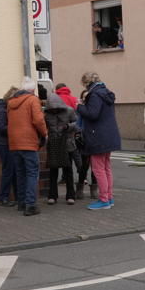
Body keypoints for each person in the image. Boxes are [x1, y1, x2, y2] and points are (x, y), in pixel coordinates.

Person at [78, 71, 121, 210]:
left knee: (98, 169)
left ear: (87, 83)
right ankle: (109, 197)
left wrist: (79, 106)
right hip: (109, 135)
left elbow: (92, 114)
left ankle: (104, 200)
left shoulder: (94, 94)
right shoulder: (105, 92)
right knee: (106, 168)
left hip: (98, 136)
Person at [6, 78, 47, 215]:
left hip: (14, 143)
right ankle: (31, 205)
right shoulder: (33, 100)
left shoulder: (10, 103)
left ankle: (21, 202)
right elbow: (38, 120)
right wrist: (45, 133)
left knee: (20, 173)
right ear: (33, 90)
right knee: (31, 173)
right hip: (28, 142)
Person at [44, 84, 78, 205]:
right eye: (51, 108)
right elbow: (44, 127)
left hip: (67, 142)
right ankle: (52, 196)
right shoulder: (46, 114)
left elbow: (77, 124)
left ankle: (70, 195)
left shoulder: (69, 110)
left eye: (55, 108)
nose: (54, 110)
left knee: (68, 170)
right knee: (53, 170)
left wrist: (68, 126)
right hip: (53, 142)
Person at [0, 87, 23, 207]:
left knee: (14, 170)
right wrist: (16, 127)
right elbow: (1, 127)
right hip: (4, 143)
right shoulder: (1, 109)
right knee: (8, 170)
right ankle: (3, 197)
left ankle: (16, 196)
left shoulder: (6, 108)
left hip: (9, 142)